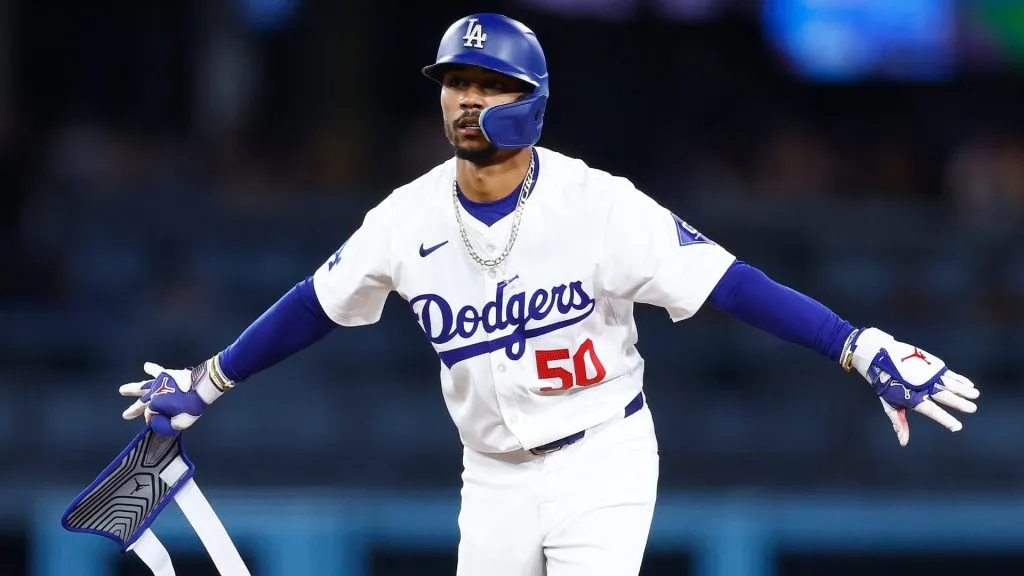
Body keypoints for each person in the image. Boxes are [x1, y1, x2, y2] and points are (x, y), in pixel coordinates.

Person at [118, 13, 980, 576]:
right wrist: (211, 380)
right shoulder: (405, 217)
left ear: (533, 104)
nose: (467, 99)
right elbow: (315, 302)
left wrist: (855, 344)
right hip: (490, 473)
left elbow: (732, 283)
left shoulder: (598, 205)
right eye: (458, 81)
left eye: (491, 85)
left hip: (601, 456)